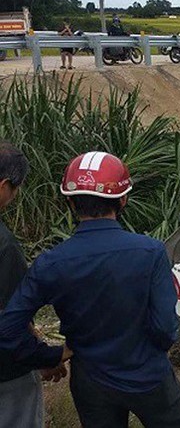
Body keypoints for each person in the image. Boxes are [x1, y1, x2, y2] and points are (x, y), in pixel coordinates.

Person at [0, 151, 180, 427]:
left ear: (70, 201)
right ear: (123, 199)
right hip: (149, 377)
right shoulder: (150, 253)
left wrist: (49, 355)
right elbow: (165, 327)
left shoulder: (51, 263)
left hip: (91, 381)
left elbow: (7, 329)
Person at [0, 141, 66, 428]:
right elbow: (10, 321)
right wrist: (47, 356)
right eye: (16, 189)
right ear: (4, 187)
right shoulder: (4, 247)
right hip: (6, 375)